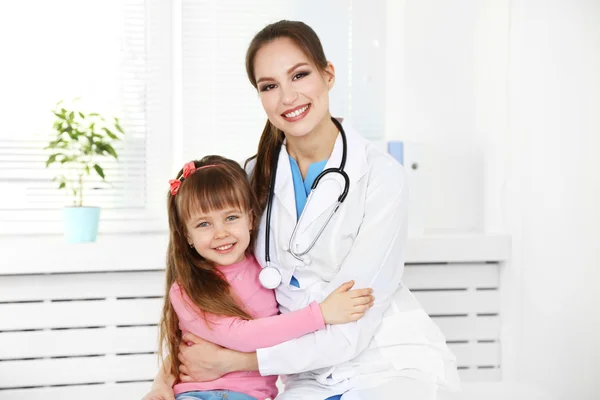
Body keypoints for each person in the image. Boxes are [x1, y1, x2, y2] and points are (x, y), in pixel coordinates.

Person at [150, 20, 461, 399]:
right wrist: (167, 379)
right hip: (303, 376)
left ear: (328, 74)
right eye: (269, 86)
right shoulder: (252, 177)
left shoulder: (381, 177)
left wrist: (236, 361)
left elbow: (351, 328)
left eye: (299, 75)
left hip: (385, 364)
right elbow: (212, 287)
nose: (287, 97)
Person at [144, 156, 375, 400]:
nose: (220, 233)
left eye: (231, 218)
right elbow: (238, 336)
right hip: (197, 394)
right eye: (203, 224)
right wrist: (321, 314)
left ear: (251, 219)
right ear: (187, 235)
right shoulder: (186, 290)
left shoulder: (268, 269)